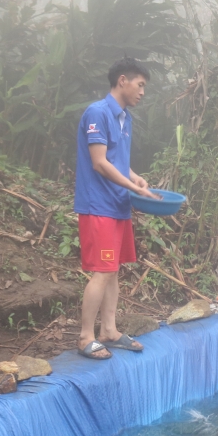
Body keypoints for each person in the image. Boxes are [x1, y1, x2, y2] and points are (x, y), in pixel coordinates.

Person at [73, 58, 161, 359]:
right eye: (140, 85)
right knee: (103, 270)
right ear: (122, 80)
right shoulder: (97, 112)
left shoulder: (125, 118)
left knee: (113, 270)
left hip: (117, 204)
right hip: (98, 205)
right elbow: (99, 162)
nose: (142, 92)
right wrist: (134, 187)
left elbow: (115, 157)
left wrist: (134, 176)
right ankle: (86, 337)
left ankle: (109, 330)